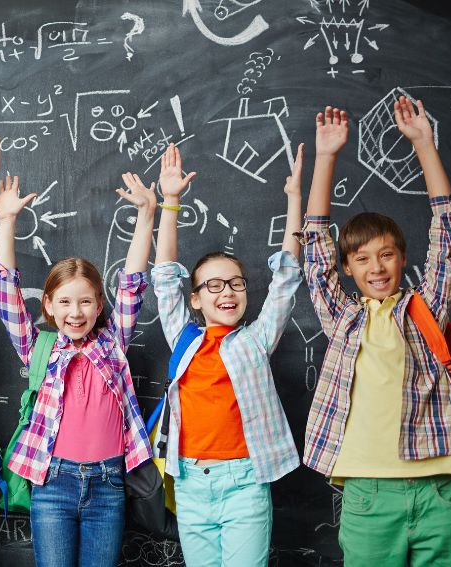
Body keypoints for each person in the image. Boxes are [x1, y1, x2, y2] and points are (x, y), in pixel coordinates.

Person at [301, 100, 451, 566]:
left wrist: (424, 144)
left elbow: (448, 237)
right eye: (361, 259)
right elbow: (315, 249)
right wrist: (326, 158)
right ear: (349, 269)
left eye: (387, 255)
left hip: (437, 485)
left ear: (402, 258)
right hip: (368, 493)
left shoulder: (425, 309)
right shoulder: (344, 318)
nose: (376, 267)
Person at [0, 172, 155, 567]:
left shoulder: (112, 342)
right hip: (52, 483)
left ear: (99, 306)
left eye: (85, 303)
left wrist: (147, 213)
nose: (75, 313)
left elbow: (132, 284)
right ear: (48, 305)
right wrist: (7, 222)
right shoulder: (39, 346)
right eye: (64, 302)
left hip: (109, 482)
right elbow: (4, 291)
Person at [151, 143, 304, 566]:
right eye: (213, 286)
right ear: (196, 299)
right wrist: (170, 202)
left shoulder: (255, 340)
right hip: (189, 481)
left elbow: (287, 277)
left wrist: (294, 201)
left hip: (245, 481)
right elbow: (165, 278)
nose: (227, 293)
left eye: (235, 283)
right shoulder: (184, 338)